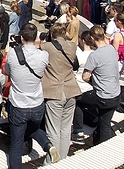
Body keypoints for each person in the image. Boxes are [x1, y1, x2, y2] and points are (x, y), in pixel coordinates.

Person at [5, 23, 60, 168]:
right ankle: (48, 145)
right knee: (33, 129)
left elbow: (7, 70)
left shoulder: (12, 53)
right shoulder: (43, 55)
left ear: (21, 38)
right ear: (36, 37)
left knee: (16, 144)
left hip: (19, 104)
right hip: (36, 104)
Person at [40, 23, 81, 161]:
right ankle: (62, 160)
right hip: (70, 90)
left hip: (54, 92)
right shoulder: (72, 46)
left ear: (52, 34)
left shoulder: (46, 47)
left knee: (53, 131)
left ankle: (52, 162)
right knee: (65, 129)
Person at [79, 25, 121, 144]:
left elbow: (85, 77)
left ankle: (77, 130)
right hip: (115, 94)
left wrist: (93, 80)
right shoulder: (112, 49)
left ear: (91, 38)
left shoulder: (94, 55)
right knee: (105, 123)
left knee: (77, 100)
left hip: (103, 96)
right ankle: (101, 141)